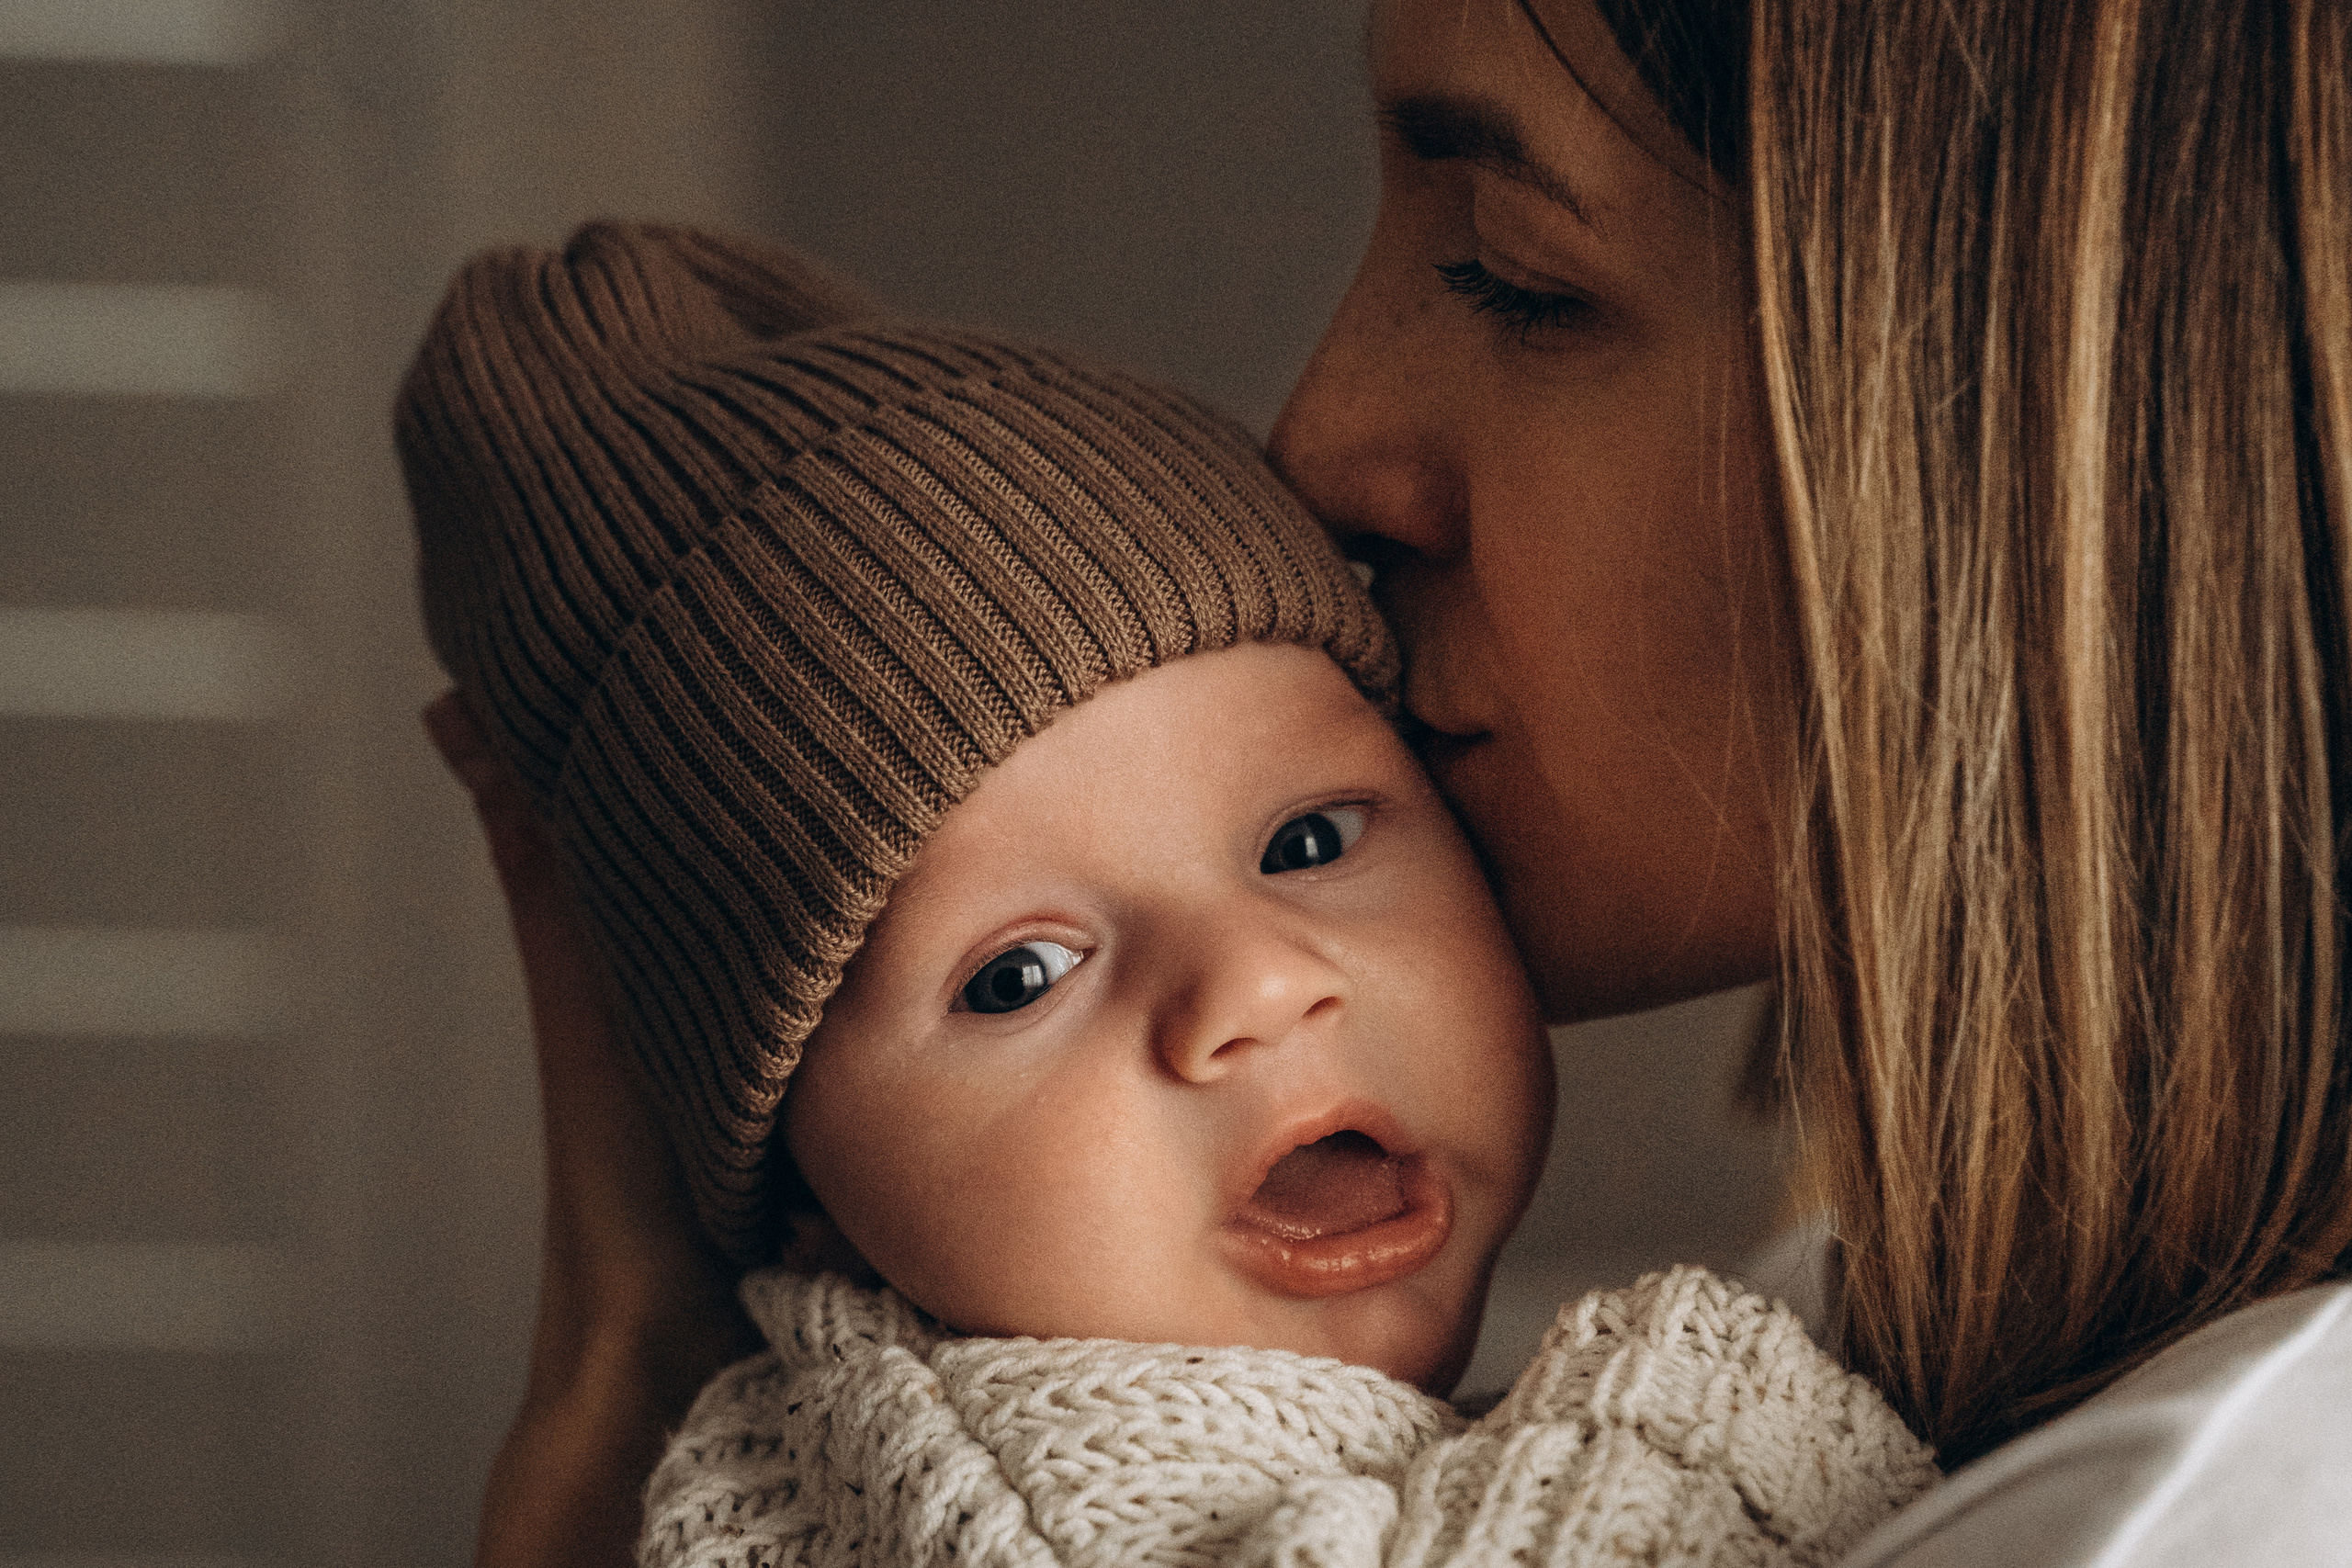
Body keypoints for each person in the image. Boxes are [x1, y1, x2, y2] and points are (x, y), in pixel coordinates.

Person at [446, 0, 2352, 1562]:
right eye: (1015, 969)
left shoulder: (2189, 1509)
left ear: (2080, 417)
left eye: (1514, 275)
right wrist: (628, 1376)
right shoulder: (1860, 1359)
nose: (1315, 435)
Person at [408, 221, 1930, 1568]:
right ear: (813, 1219)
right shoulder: (1016, 1500)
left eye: (1311, 842)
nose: (1256, 986)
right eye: (1018, 976)